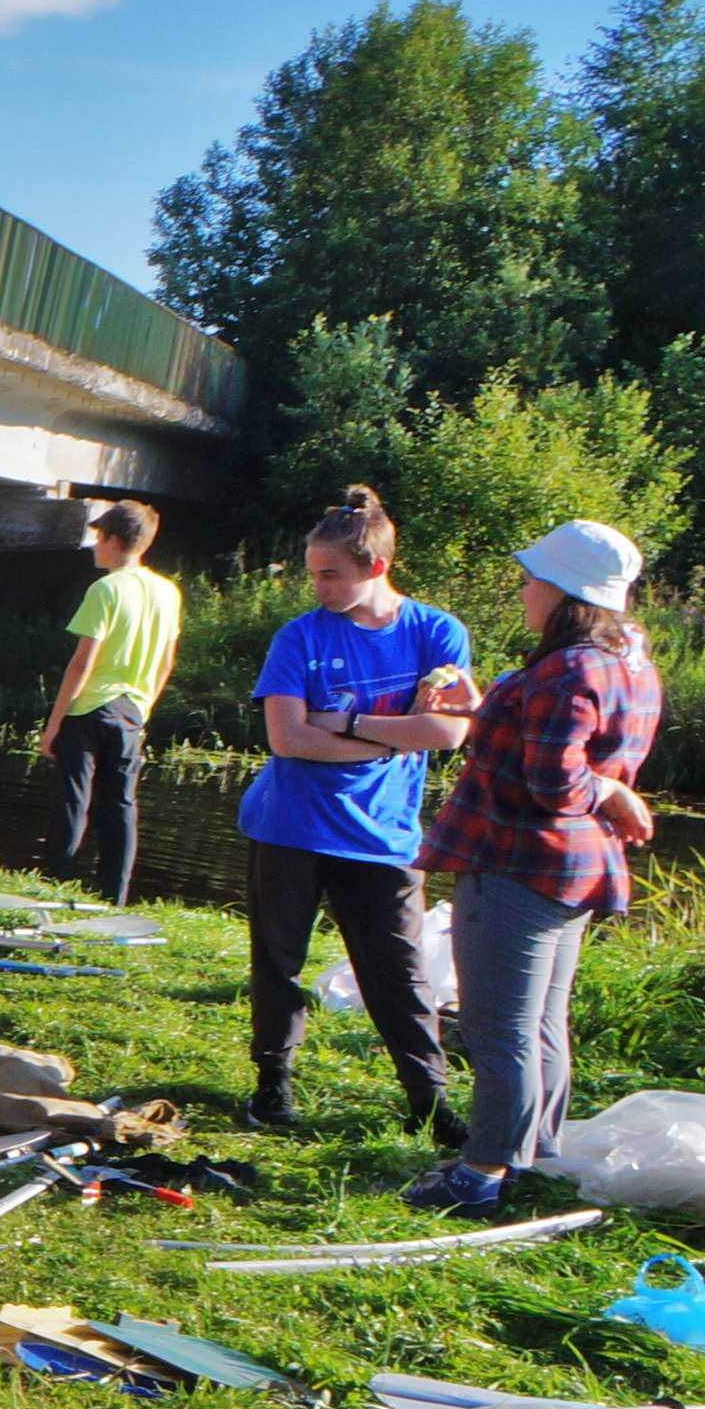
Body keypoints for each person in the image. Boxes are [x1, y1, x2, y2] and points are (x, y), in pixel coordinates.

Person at [401, 522, 663, 1212]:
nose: (523, 588)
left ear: (565, 590)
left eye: (531, 577)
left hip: (519, 865)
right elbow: (557, 740)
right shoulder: (630, 659)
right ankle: (533, 1155)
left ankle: (481, 1172)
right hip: (573, 872)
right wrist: (484, 707)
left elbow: (557, 783)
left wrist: (608, 791)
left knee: (498, 1028)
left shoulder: (569, 667)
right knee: (542, 1022)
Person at [238, 486, 476, 1136]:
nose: (318, 586)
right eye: (313, 573)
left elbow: (450, 733)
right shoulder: (298, 637)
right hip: (289, 823)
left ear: (375, 567)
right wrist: (397, 729)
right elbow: (288, 738)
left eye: (330, 574)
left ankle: (430, 1101)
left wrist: (345, 722)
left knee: (397, 972)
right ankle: (272, 1086)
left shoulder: (436, 631)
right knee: (278, 964)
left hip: (383, 834)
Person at [37, 500, 182, 905]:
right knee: (120, 802)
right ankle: (114, 893)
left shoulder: (104, 589)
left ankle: (56, 881)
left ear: (114, 540)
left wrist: (54, 722)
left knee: (74, 797)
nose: (94, 547)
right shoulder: (168, 592)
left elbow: (82, 662)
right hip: (132, 708)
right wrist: (144, 707)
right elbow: (166, 662)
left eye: (98, 538)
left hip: (87, 708)